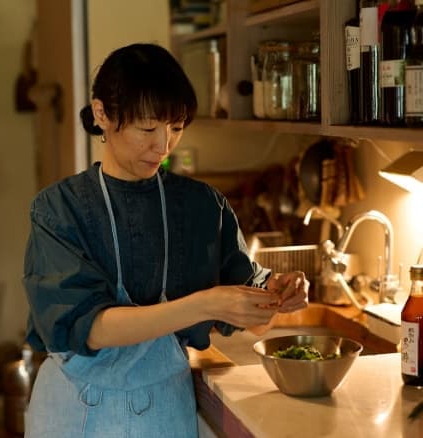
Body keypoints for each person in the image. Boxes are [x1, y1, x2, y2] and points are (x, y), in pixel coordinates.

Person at [22, 43, 309, 437]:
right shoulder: (59, 209)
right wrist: (205, 302)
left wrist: (275, 294)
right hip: (76, 412)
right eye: (148, 129)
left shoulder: (202, 206)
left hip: (165, 410)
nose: (164, 146)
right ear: (103, 114)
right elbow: (91, 328)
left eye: (175, 128)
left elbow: (249, 303)